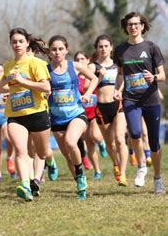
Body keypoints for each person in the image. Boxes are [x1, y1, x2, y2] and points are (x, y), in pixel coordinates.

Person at [0, 28, 51, 202]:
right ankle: (25, 184)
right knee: (20, 150)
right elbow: (3, 84)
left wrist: (22, 81)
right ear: (10, 44)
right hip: (15, 114)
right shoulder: (8, 65)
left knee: (41, 153)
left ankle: (36, 180)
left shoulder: (35, 63)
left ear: (27, 43)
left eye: (20, 41)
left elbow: (46, 87)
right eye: (14, 42)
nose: (17, 44)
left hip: (37, 113)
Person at [114, 12, 165, 193]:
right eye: (130, 24)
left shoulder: (151, 47)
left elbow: (163, 75)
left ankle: (158, 178)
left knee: (154, 142)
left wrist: (154, 77)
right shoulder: (120, 50)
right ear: (125, 27)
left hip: (150, 99)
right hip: (131, 98)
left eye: (136, 24)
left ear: (142, 26)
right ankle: (142, 166)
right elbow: (121, 74)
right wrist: (117, 89)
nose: (133, 27)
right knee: (135, 133)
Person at [47, 35, 98, 200]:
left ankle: (81, 175)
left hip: (76, 113)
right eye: (54, 49)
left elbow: (94, 78)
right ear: (49, 52)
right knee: (68, 154)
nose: (57, 52)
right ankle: (78, 181)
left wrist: (88, 94)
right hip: (56, 119)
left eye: (60, 49)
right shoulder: (45, 70)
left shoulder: (74, 66)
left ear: (66, 50)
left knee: (70, 142)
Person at [88, 35, 130, 185]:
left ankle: (123, 174)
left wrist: (119, 90)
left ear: (111, 47)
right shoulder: (93, 67)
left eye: (106, 46)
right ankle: (115, 164)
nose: (103, 49)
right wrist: (99, 77)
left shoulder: (117, 65)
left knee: (120, 139)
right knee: (110, 144)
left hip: (117, 106)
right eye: (100, 46)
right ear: (96, 49)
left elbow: (125, 79)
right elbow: (87, 86)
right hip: (101, 108)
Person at [73, 51, 104, 180]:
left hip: (94, 111)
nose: (80, 61)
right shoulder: (73, 76)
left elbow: (95, 84)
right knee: (89, 144)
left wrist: (101, 77)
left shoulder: (91, 75)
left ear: (87, 60)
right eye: (77, 59)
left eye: (82, 59)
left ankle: (101, 143)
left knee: (96, 136)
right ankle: (97, 170)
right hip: (82, 114)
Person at [0, 63, 15, 181]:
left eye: (1, 71)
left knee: (8, 138)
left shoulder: (8, 85)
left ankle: (10, 157)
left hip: (6, 117)